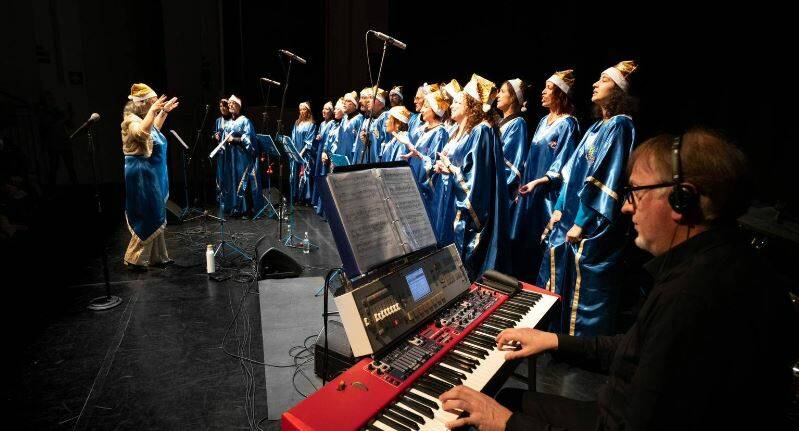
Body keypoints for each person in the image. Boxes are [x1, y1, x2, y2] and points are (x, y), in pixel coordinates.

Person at [438, 129, 799, 431]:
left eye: (635, 192)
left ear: (681, 198)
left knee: (487, 413)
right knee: (511, 397)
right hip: (618, 412)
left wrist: (507, 424)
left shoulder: (692, 297)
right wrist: (554, 340)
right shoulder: (716, 263)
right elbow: (636, 349)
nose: (626, 206)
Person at [538, 61, 638, 336]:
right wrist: (559, 208)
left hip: (595, 222)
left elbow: (605, 177)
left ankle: (581, 343)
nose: (595, 84)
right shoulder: (595, 128)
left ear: (618, 90)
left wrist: (581, 221)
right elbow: (570, 171)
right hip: (572, 215)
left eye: (603, 80)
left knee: (588, 285)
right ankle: (555, 333)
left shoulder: (620, 126)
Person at [511, 70, 580, 282]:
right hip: (530, 192)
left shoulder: (569, 124)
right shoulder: (542, 121)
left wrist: (540, 182)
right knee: (523, 243)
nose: (542, 92)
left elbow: (565, 163)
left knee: (541, 246)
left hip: (548, 196)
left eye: (549, 88)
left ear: (560, 93)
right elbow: (531, 158)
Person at [437, 74, 509, 279]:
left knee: (466, 265)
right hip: (463, 203)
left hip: (471, 212)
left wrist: (450, 167)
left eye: (460, 101)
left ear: (471, 104)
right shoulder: (481, 129)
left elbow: (476, 179)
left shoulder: (481, 130)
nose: (453, 105)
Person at [121, 83, 178, 268]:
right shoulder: (131, 120)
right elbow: (142, 133)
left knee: (155, 210)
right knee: (148, 213)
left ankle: (158, 256)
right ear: (143, 104)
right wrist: (154, 111)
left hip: (148, 171)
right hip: (139, 173)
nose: (154, 105)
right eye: (152, 103)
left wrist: (163, 113)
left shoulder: (141, 117)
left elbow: (152, 131)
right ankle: (134, 258)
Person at [400, 88, 451, 215]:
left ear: (435, 110)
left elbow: (434, 165)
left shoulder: (440, 132)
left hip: (427, 191)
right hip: (415, 184)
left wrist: (418, 154)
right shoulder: (423, 130)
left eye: (426, 106)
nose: (422, 109)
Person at [222, 95, 263, 217]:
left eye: (233, 103)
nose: (230, 105)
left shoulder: (245, 121)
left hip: (242, 157)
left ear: (239, 106)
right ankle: (235, 208)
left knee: (243, 181)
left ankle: (246, 209)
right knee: (233, 180)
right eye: (229, 103)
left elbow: (249, 139)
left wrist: (234, 139)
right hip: (231, 157)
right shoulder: (228, 123)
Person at [496, 78, 529, 207]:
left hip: (502, 187)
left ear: (513, 98)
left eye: (502, 91)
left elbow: (510, 160)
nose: (498, 95)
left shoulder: (518, 123)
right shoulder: (499, 123)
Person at [291, 101, 317, 204]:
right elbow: (293, 137)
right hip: (296, 151)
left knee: (304, 174)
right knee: (295, 174)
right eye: (300, 109)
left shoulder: (311, 124)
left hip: (305, 153)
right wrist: (294, 151)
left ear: (308, 111)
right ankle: (296, 196)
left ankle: (305, 198)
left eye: (304, 109)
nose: (302, 111)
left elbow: (309, 141)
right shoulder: (297, 122)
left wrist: (301, 153)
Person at [354, 87, 388, 164]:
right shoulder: (370, 119)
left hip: (379, 162)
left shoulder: (385, 117)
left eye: (371, 99)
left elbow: (385, 143)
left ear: (380, 103)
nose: (368, 102)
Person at [311, 101, 334, 215]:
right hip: (319, 152)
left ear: (331, 112)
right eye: (323, 109)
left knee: (323, 175)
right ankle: (317, 203)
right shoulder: (322, 124)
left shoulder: (332, 123)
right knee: (318, 175)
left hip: (325, 153)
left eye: (326, 109)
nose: (323, 111)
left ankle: (323, 207)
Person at [212, 98, 233, 210]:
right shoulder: (218, 121)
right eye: (220, 106)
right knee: (220, 176)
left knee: (229, 175)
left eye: (224, 106)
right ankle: (221, 200)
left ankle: (230, 200)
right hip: (221, 152)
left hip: (230, 152)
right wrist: (215, 136)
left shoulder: (233, 120)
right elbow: (214, 133)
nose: (222, 108)